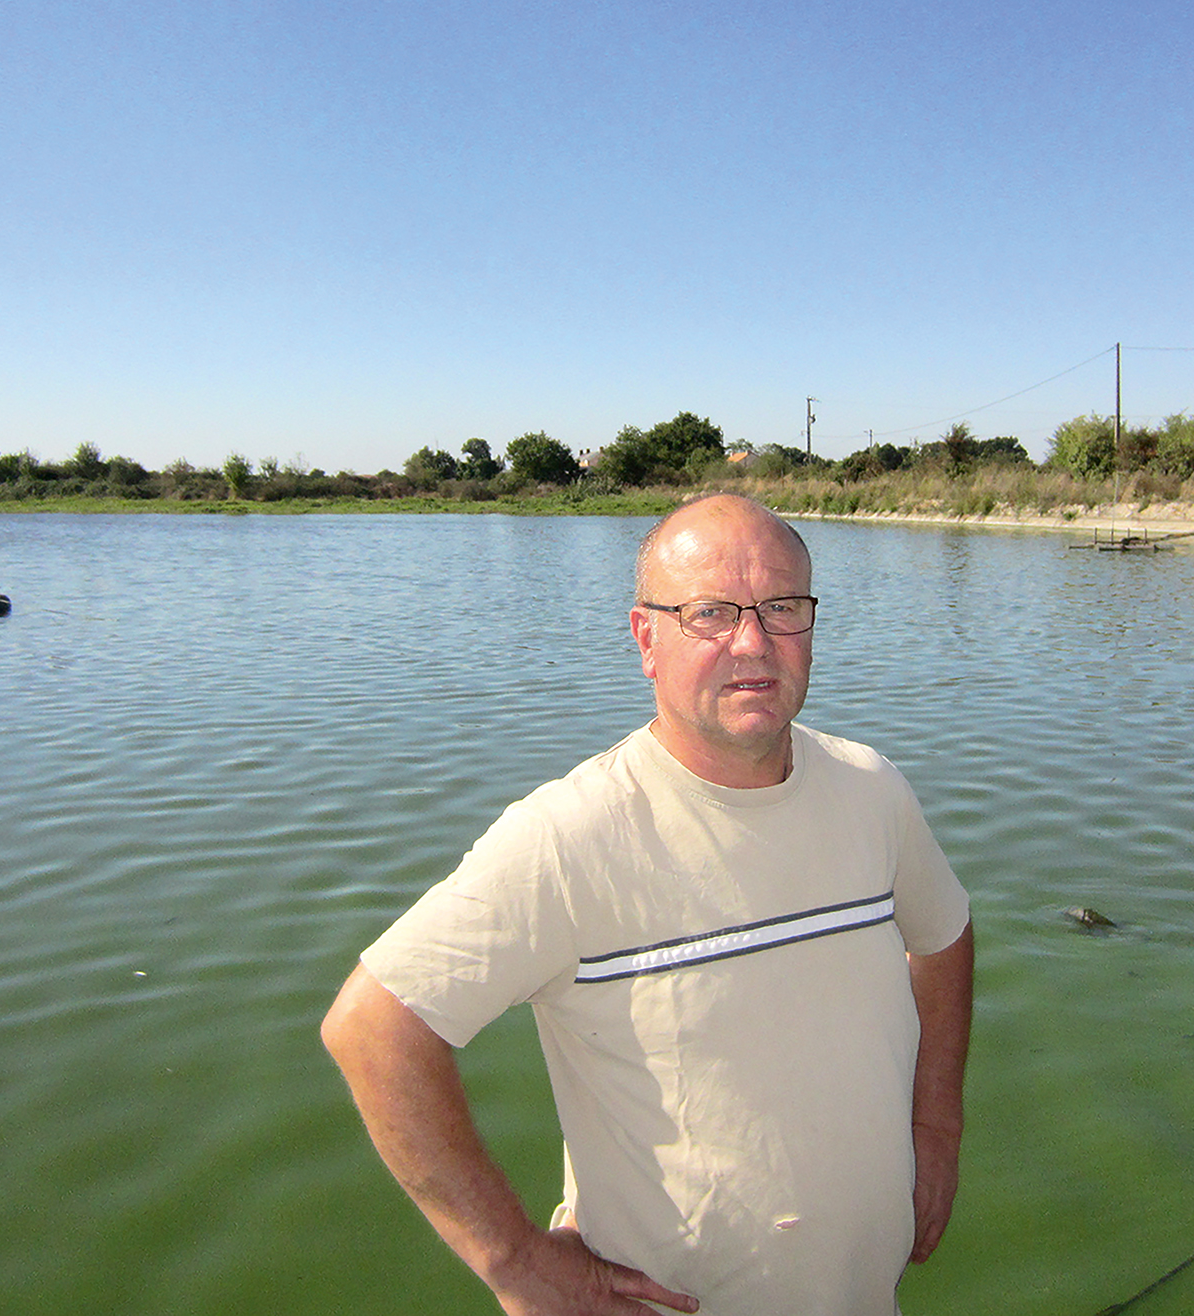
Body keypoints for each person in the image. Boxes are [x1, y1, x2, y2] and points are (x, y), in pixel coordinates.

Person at [321, 493, 974, 1315]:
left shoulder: (872, 791)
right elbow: (373, 1029)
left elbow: (943, 937)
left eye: (782, 607)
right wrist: (514, 1258)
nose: (753, 642)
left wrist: (936, 1128)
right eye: (710, 613)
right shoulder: (570, 837)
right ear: (646, 640)